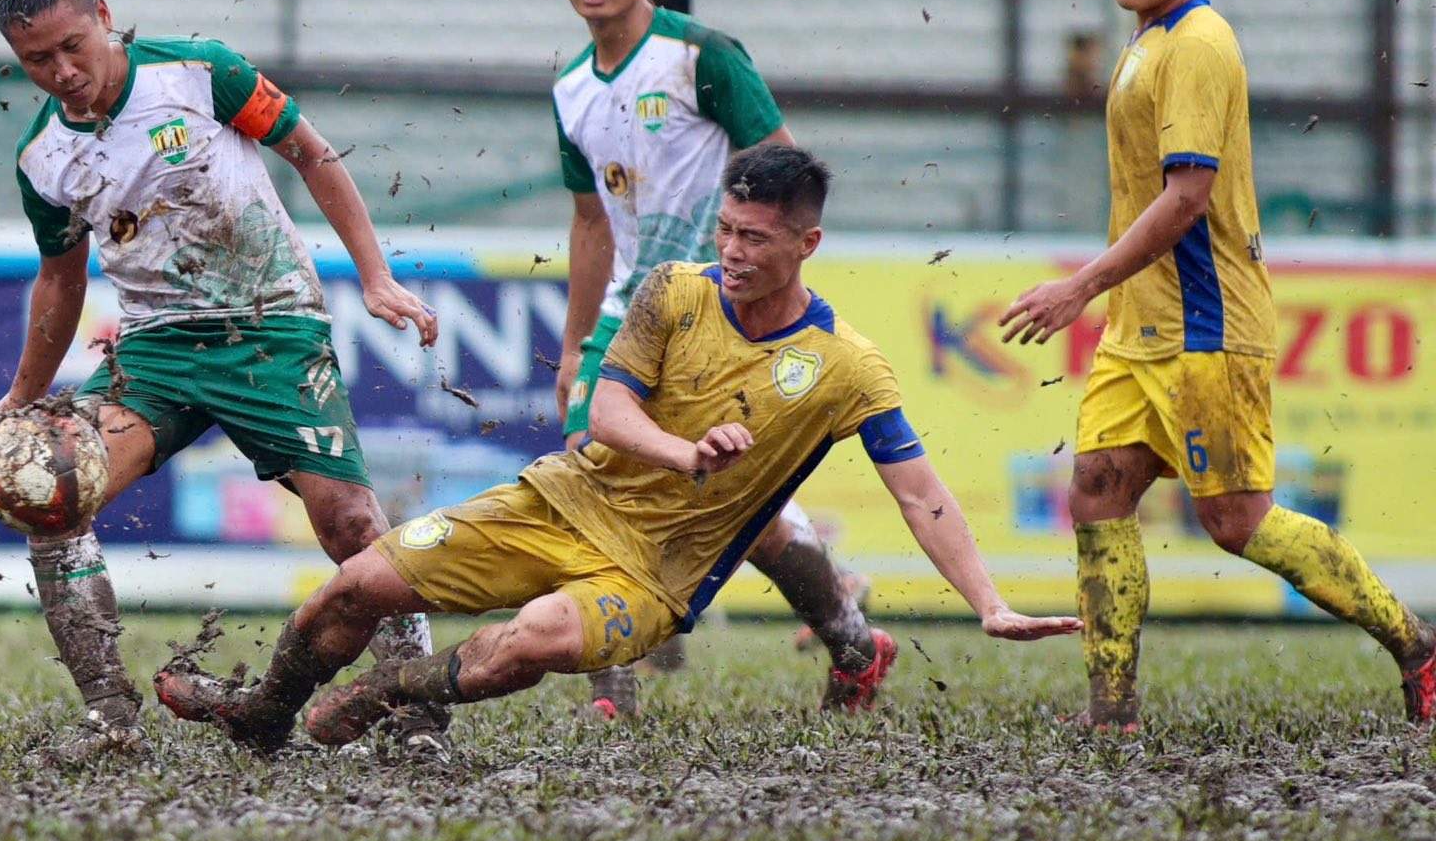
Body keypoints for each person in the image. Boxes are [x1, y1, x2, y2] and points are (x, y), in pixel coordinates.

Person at [155, 146, 1080, 752]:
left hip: (654, 577)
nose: (733, 251)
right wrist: (685, 453)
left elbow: (922, 494)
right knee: (357, 586)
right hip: (558, 499)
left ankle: (392, 691)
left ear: (809, 242)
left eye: (755, 239)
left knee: (541, 638)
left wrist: (988, 604)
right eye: (725, 230)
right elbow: (606, 412)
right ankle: (265, 712)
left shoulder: (848, 369)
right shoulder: (675, 290)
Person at [0, 0, 446, 757]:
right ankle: (111, 722)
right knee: (46, 488)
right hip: (156, 349)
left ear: (106, 16)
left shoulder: (199, 72)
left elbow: (312, 153)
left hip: (271, 327)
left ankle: (414, 717)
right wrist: (23, 395)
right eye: (36, 61)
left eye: (72, 46)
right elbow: (59, 279)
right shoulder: (42, 156)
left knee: (355, 523)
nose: (62, 71)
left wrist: (375, 277)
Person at [999, 0, 1436, 729]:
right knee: (1097, 488)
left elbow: (1187, 197)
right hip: (1143, 328)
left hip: (1207, 325)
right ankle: (1111, 707)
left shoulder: (1195, 45)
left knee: (1237, 522)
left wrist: (1080, 285)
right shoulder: (1147, 38)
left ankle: (1418, 649)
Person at [548, 0, 882, 718]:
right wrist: (572, 344)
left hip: (718, 314)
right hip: (630, 315)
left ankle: (852, 639)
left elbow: (786, 177)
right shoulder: (566, 88)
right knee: (589, 474)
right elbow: (591, 223)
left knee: (753, 518)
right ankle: (611, 693)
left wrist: (762, 289)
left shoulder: (702, 56)